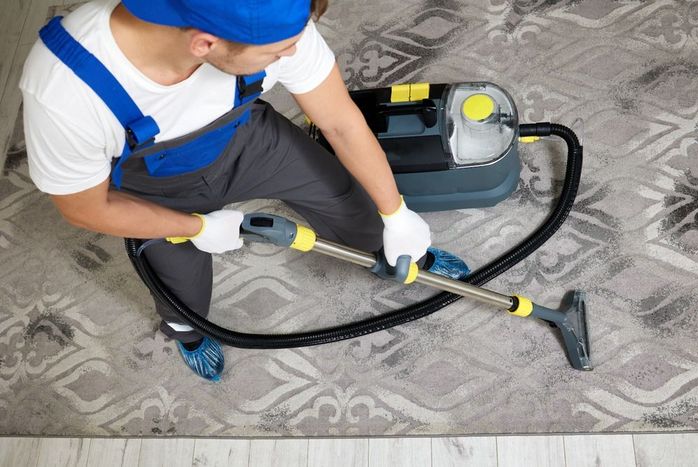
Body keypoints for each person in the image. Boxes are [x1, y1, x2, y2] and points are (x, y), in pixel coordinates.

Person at [20, 0, 470, 382]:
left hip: (247, 142)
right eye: (278, 52)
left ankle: (402, 254)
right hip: (150, 188)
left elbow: (340, 122)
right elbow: (85, 208)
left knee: (351, 203)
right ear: (205, 44)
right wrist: (194, 226)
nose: (294, 52)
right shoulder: (66, 89)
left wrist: (395, 212)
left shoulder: (275, 17)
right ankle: (189, 330)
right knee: (181, 290)